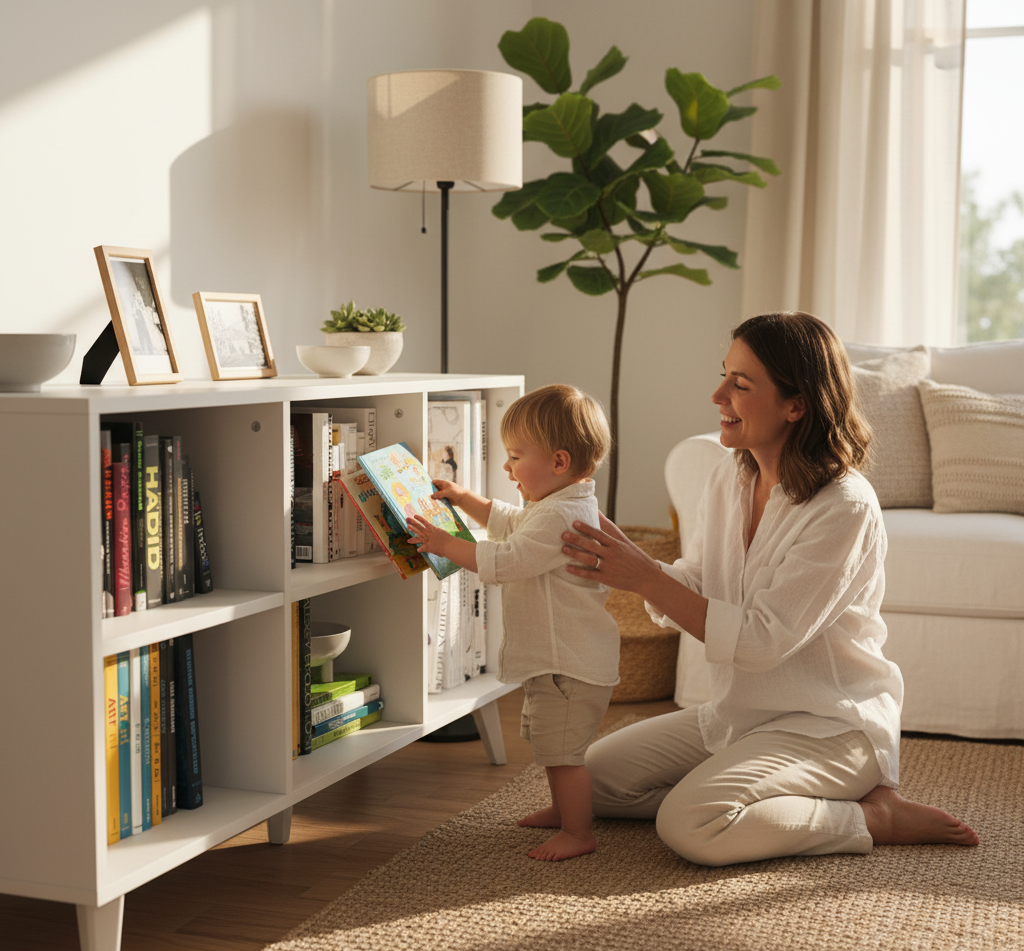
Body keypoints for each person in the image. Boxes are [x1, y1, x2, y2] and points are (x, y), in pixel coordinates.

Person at [559, 311, 979, 867]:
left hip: (830, 728)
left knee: (689, 824)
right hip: (743, 714)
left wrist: (645, 577)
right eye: (723, 375)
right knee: (590, 780)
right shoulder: (731, 476)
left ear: (795, 405)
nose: (717, 395)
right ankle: (757, 793)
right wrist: (632, 564)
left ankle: (874, 815)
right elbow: (703, 584)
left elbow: (761, 641)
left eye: (740, 384)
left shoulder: (844, 506)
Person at [406, 384, 620, 862]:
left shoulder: (561, 515)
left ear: (559, 462)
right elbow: (508, 521)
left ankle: (578, 831)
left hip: (570, 664)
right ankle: (563, 812)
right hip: (558, 661)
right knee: (550, 744)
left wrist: (445, 544)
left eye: (515, 457)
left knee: (563, 753)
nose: (507, 468)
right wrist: (464, 499)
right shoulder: (553, 506)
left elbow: (505, 559)